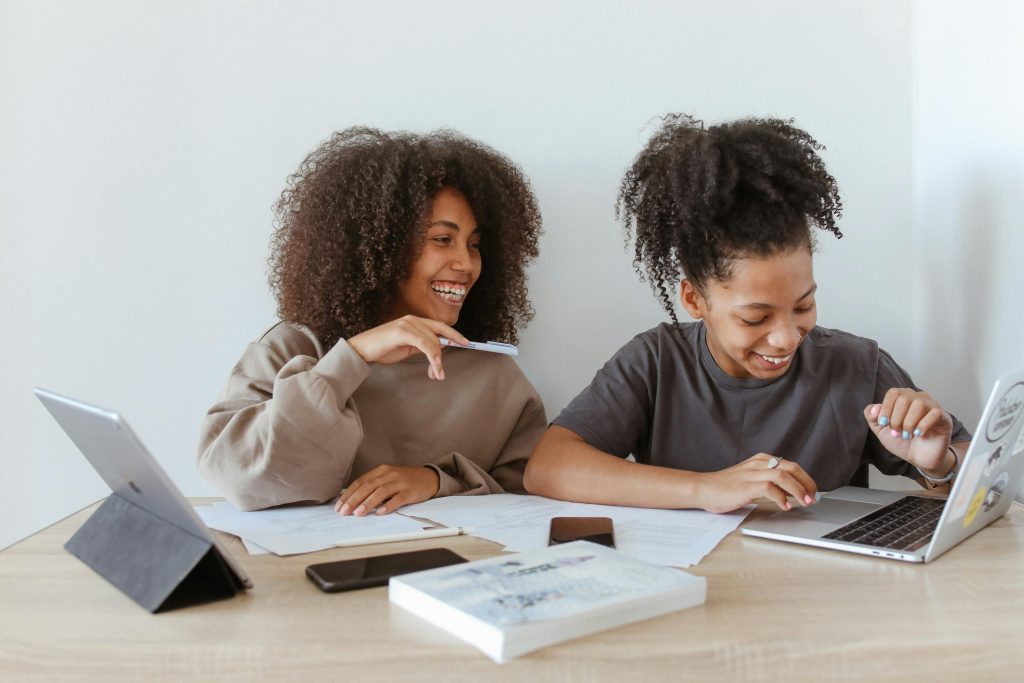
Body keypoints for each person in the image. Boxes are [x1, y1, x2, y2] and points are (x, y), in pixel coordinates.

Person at [524, 114, 971, 514]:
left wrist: (941, 465)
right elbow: (547, 466)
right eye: (755, 318)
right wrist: (707, 489)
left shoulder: (856, 366)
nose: (787, 338)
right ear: (695, 300)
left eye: (803, 306)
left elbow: (982, 484)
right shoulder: (656, 362)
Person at [199, 127, 546, 513]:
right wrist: (353, 358)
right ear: (382, 245)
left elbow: (529, 492)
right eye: (442, 240)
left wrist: (435, 480)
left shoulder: (493, 374)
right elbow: (244, 480)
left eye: (475, 244)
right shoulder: (292, 348)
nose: (465, 263)